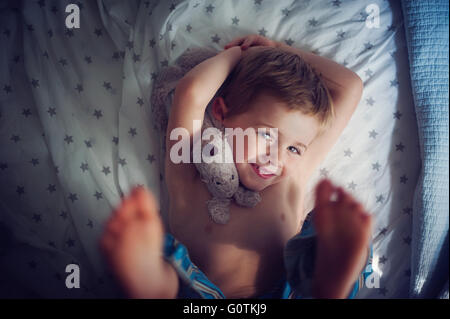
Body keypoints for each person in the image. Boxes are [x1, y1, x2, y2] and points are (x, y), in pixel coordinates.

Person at [100, 34, 373, 299]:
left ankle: (327, 283)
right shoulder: (192, 171)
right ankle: (155, 286)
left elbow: (350, 87)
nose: (275, 158)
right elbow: (191, 92)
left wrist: (276, 49)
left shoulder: (291, 177)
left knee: (319, 241)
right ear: (221, 112)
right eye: (267, 135)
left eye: (293, 148)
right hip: (205, 296)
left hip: (289, 291)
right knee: (172, 268)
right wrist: (239, 54)